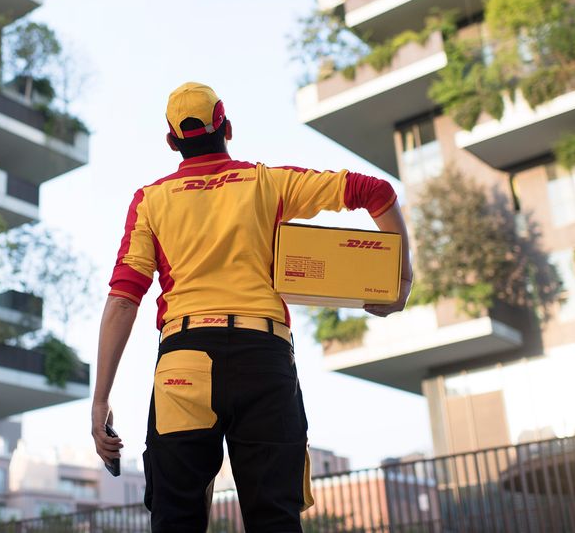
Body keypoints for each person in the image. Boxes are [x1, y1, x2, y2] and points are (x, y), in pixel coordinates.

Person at [91, 82, 413, 532]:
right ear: (227, 129)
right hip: (264, 357)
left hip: (184, 362)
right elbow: (374, 191)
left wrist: (101, 398)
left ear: (172, 142)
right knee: (274, 518)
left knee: (175, 519)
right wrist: (399, 277)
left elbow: (124, 299)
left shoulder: (151, 201)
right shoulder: (267, 183)